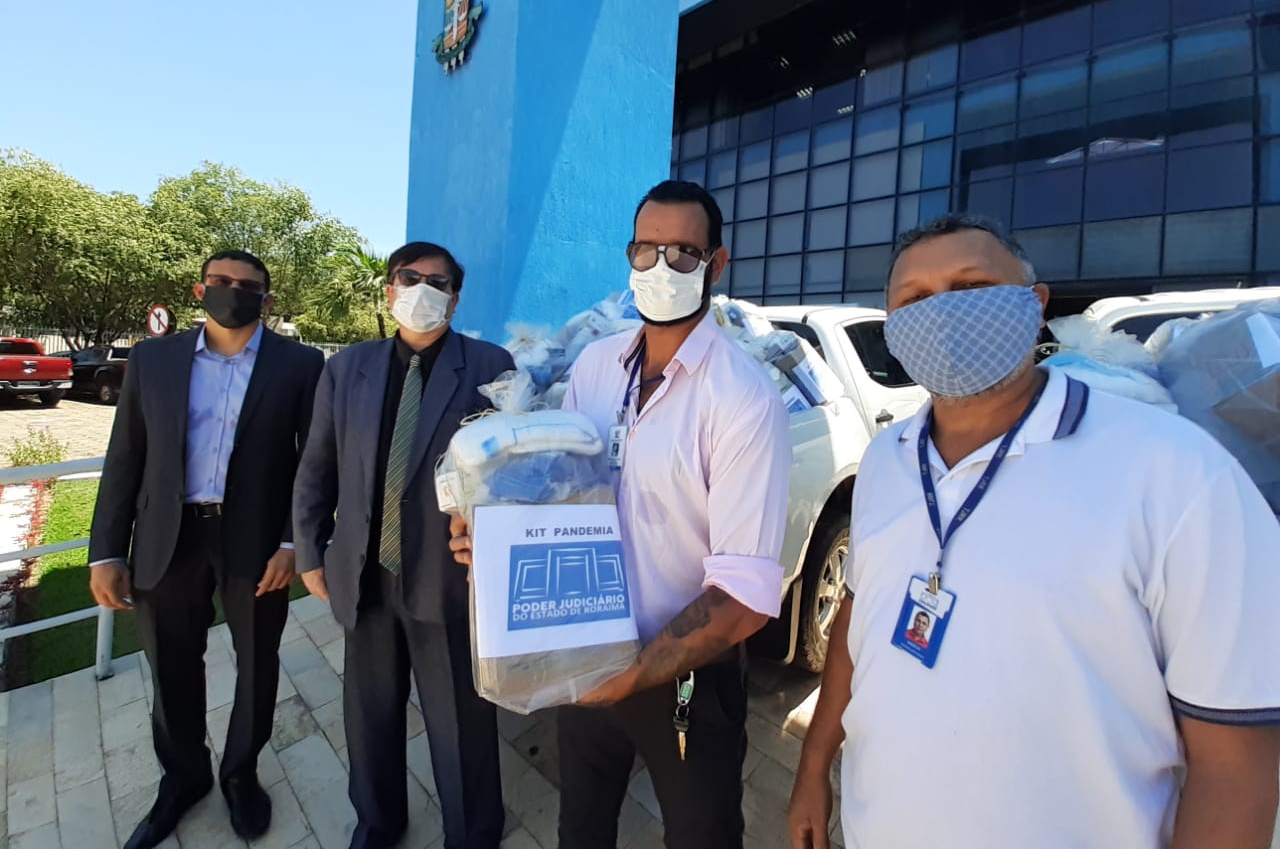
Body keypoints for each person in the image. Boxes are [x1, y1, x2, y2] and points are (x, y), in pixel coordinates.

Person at [788, 215, 1280, 849]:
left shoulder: (1175, 473)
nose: (942, 314)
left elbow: (1236, 765)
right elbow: (859, 617)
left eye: (971, 286)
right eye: (913, 300)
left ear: (1034, 304)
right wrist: (813, 766)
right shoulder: (886, 457)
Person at [450, 180, 792, 849]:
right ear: (628, 256)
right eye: (646, 250)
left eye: (683, 254)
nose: (661, 269)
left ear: (716, 265)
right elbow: (567, 488)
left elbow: (745, 597)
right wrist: (493, 533)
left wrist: (633, 676)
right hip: (586, 647)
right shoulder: (598, 365)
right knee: (581, 823)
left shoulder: (742, 398)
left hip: (686, 676)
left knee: (700, 833)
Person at [88, 250, 325, 848]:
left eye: (248, 287)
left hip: (256, 541)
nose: (233, 292)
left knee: (257, 665)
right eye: (221, 282)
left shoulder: (300, 364)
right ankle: (184, 778)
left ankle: (241, 773)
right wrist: (106, 551)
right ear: (200, 290)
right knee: (170, 667)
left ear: (266, 301)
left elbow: (313, 463)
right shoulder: (153, 359)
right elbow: (126, 457)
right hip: (168, 536)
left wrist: (295, 541)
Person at [292, 241, 514, 849]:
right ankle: (378, 822)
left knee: (460, 724)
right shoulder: (347, 368)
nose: (423, 290)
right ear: (390, 289)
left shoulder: (490, 366)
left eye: (438, 282)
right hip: (363, 574)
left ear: (455, 297)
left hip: (447, 578)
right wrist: (310, 552)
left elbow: (512, 476)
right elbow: (317, 466)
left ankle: (472, 833)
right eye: (409, 278)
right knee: (369, 717)